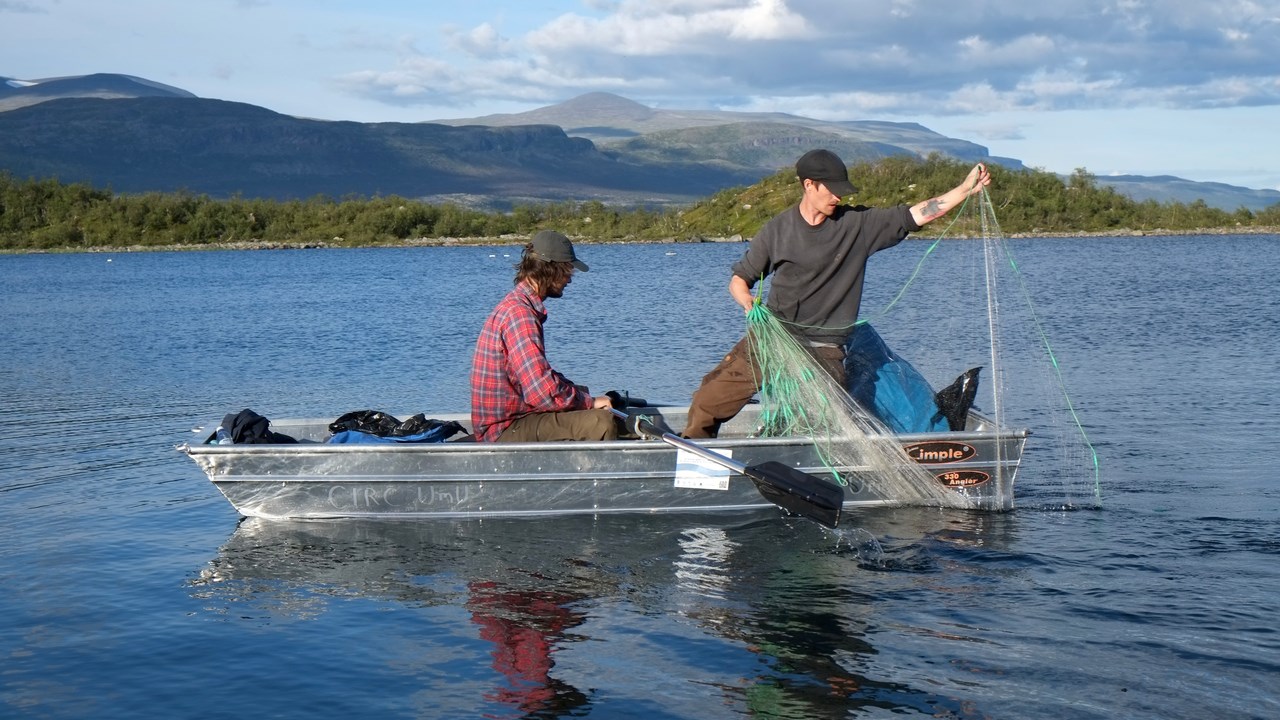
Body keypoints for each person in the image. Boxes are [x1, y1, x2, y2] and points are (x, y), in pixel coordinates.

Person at [681, 149, 992, 439]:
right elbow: (739, 279)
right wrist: (747, 302)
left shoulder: (857, 225)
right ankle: (693, 471)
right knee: (708, 401)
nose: (838, 196)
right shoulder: (778, 230)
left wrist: (964, 190)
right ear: (809, 185)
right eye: (831, 188)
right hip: (771, 338)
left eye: (841, 189)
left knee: (820, 425)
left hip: (825, 349)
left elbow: (918, 213)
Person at [470, 230, 618, 442]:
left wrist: (577, 392)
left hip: (517, 419)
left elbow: (536, 378)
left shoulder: (517, 305)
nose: (570, 279)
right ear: (551, 269)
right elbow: (540, 391)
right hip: (504, 429)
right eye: (568, 270)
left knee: (583, 399)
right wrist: (589, 402)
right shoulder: (520, 315)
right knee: (600, 422)